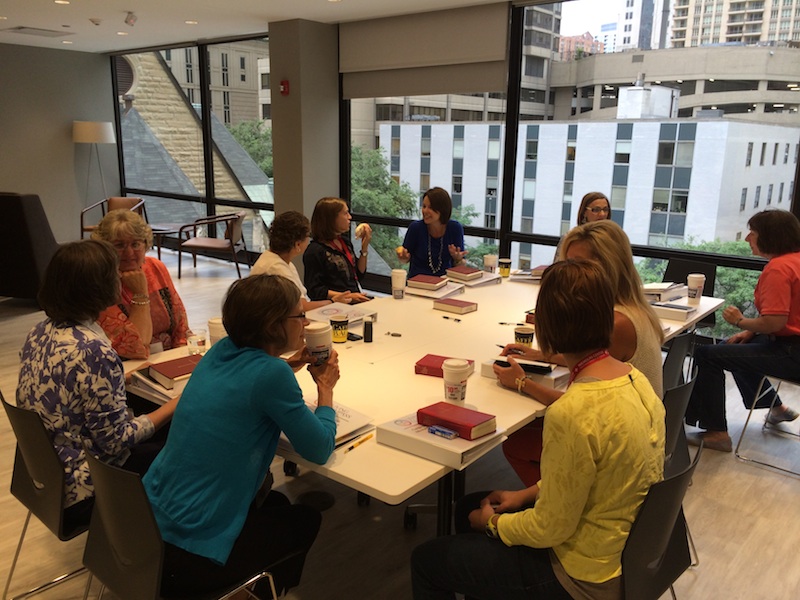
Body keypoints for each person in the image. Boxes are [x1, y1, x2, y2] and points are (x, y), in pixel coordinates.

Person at [411, 259, 665, 600]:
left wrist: (493, 524)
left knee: (426, 561)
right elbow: (592, 475)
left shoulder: (572, 412)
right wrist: (526, 495)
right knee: (469, 504)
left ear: (545, 328)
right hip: (621, 557)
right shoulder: (636, 381)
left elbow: (550, 528)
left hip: (578, 578)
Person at [143, 274, 340, 597]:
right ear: (274, 326)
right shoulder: (271, 374)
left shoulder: (221, 350)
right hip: (189, 551)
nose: (305, 323)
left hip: (147, 526)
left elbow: (250, 379)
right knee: (304, 520)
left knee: (276, 502)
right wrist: (326, 389)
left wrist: (289, 363)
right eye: (299, 315)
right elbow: (319, 449)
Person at [16, 240, 178, 528]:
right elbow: (116, 441)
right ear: (98, 287)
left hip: (49, 473)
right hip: (86, 485)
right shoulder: (92, 350)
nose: (119, 277)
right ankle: (166, 540)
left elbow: (68, 387)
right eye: (114, 273)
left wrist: (115, 379)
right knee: (183, 440)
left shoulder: (40, 332)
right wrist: (176, 404)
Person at [496, 219, 664, 486]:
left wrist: (521, 382)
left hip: (615, 452)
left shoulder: (616, 323)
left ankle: (545, 497)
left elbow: (577, 406)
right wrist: (542, 356)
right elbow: (595, 362)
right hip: (637, 440)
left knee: (517, 441)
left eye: (577, 263)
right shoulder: (633, 309)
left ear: (607, 266)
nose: (569, 272)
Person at [685, 209, 800, 453]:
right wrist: (750, 333)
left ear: (770, 236)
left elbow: (774, 323)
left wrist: (740, 322)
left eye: (753, 233)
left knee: (706, 355)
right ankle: (776, 408)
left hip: (792, 352)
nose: (748, 238)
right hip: (790, 344)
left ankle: (717, 433)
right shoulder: (795, 261)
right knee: (733, 347)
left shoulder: (779, 268)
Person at [92, 210, 189, 359]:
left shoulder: (155, 267)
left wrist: (182, 359)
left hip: (167, 358)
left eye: (135, 244)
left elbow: (181, 326)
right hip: (126, 363)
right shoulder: (99, 281)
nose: (129, 252)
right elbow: (135, 346)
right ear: (105, 248)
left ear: (145, 244)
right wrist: (140, 294)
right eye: (119, 245)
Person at [252, 210, 362, 307]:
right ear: (297, 245)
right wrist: (333, 302)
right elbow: (300, 307)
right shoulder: (276, 268)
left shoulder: (279, 261)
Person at [303, 197, 373, 303]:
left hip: (353, 300)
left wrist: (364, 248)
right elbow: (314, 290)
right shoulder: (314, 251)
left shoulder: (344, 242)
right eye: (345, 213)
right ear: (331, 218)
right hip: (333, 306)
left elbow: (359, 274)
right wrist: (347, 296)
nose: (349, 217)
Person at [396, 187, 466, 277]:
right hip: (418, 281)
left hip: (444, 281)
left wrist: (458, 259)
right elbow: (405, 259)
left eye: (431, 208)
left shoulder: (455, 228)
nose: (425, 211)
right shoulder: (416, 228)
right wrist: (403, 257)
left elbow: (461, 266)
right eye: (424, 206)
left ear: (442, 210)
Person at [553, 191, 611, 261]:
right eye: (596, 210)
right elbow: (558, 265)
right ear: (584, 212)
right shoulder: (572, 237)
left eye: (605, 209)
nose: (602, 214)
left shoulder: (612, 238)